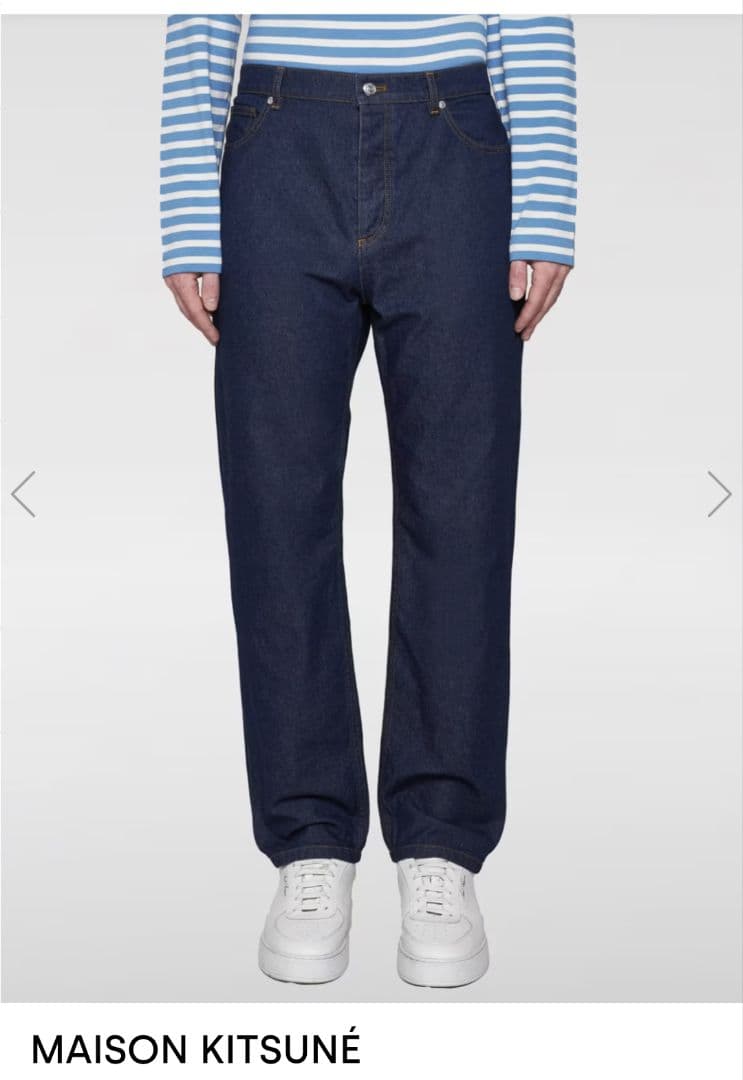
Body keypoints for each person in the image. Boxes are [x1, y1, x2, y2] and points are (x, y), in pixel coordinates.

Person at [160, 13, 576, 988]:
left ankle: (440, 846)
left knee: (461, 512)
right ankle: (309, 845)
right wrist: (188, 209)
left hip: (456, 139)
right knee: (276, 510)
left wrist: (545, 204)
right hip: (274, 138)